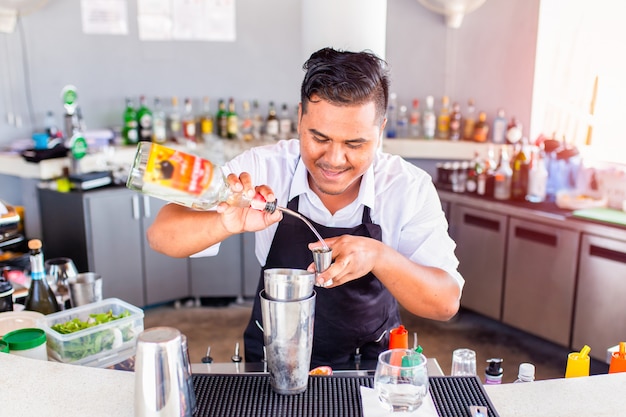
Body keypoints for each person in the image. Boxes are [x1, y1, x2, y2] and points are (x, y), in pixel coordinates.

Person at [147, 47, 464, 367]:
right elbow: (161, 235)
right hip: (273, 361)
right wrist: (226, 223)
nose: (334, 160)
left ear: (380, 131)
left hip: (369, 368)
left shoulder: (406, 187)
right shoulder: (263, 167)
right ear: (300, 118)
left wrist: (380, 256)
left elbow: (446, 302)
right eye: (319, 138)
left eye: (355, 144)